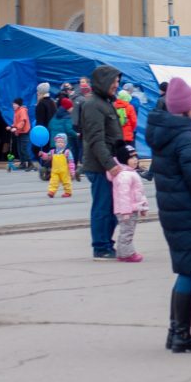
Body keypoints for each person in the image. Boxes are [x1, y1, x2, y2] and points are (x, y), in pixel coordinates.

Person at [146, 77, 191, 353]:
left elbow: (181, 168)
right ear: (187, 109)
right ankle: (181, 335)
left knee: (184, 268)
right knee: (187, 270)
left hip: (171, 209)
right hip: (187, 211)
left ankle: (175, 333)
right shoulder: (184, 140)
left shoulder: (165, 136)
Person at [81, 65, 124, 261]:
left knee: (113, 207)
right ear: (104, 82)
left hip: (110, 163)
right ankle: (100, 246)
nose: (117, 85)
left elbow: (114, 137)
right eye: (114, 81)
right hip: (100, 167)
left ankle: (106, 242)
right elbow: (96, 139)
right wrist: (110, 164)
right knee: (103, 206)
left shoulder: (105, 103)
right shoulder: (93, 105)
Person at [108, 142, 148, 263]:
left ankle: (122, 252)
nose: (135, 160)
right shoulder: (124, 175)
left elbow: (138, 193)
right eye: (131, 158)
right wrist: (126, 211)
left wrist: (143, 206)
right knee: (127, 232)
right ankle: (127, 254)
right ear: (124, 160)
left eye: (136, 157)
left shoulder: (130, 173)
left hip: (132, 208)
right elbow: (123, 195)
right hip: (127, 210)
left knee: (127, 231)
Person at [48, 98, 79, 178]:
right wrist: (76, 134)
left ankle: (51, 170)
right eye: (71, 107)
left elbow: (50, 126)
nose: (72, 109)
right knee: (67, 157)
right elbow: (69, 130)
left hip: (54, 141)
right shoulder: (67, 117)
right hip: (62, 142)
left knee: (54, 157)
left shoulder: (55, 115)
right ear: (68, 108)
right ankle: (69, 172)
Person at [39, 133, 75, 198]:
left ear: (65, 143)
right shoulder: (53, 151)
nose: (60, 143)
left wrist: (72, 171)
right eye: (58, 142)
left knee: (66, 182)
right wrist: (42, 154)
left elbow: (71, 162)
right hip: (55, 171)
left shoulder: (67, 152)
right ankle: (52, 192)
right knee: (53, 181)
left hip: (64, 171)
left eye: (62, 142)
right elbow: (47, 157)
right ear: (55, 143)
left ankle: (68, 192)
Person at [7, 97, 34, 170]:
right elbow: (17, 123)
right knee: (19, 149)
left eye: (15, 104)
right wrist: (11, 126)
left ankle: (30, 164)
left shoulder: (22, 111)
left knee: (23, 149)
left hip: (24, 132)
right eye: (13, 104)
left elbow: (23, 121)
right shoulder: (17, 111)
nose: (13, 105)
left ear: (18, 104)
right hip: (19, 132)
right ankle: (23, 163)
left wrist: (16, 128)